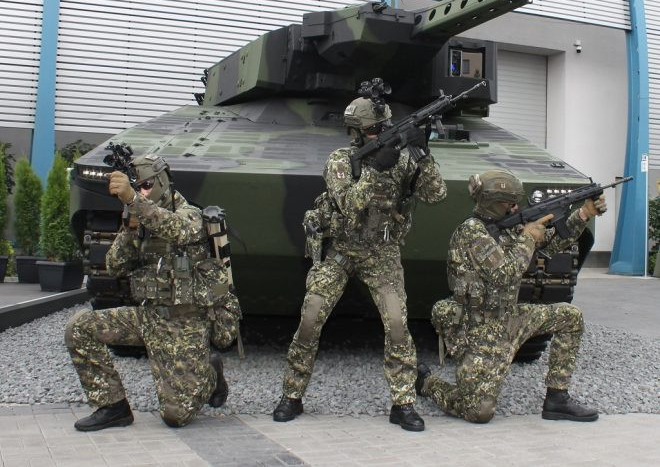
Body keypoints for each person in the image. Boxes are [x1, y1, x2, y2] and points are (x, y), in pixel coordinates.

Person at [273, 95, 447, 431]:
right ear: (355, 132)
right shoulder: (340, 161)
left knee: (397, 324)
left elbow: (435, 195)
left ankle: (403, 402)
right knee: (310, 318)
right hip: (340, 250)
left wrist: (423, 154)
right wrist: (375, 169)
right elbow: (350, 204)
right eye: (372, 130)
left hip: (382, 253)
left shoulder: (403, 162)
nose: (380, 133)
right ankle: (291, 394)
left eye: (384, 127)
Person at [65, 153, 241, 431]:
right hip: (148, 317)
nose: (142, 192)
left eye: (146, 186)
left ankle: (210, 372)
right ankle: (113, 407)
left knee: (176, 416)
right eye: (138, 187)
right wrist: (129, 230)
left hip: (184, 324)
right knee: (79, 327)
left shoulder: (191, 215)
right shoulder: (140, 219)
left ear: (162, 182)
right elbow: (114, 266)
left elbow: (175, 228)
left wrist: (133, 200)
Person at [416, 169, 607, 423]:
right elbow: (504, 275)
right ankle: (428, 383)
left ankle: (557, 399)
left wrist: (583, 214)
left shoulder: (507, 227)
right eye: (510, 202)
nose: (516, 206)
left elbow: (551, 244)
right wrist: (527, 238)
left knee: (570, 316)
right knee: (478, 411)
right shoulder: (472, 233)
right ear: (493, 203)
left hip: (510, 316)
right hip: (479, 328)